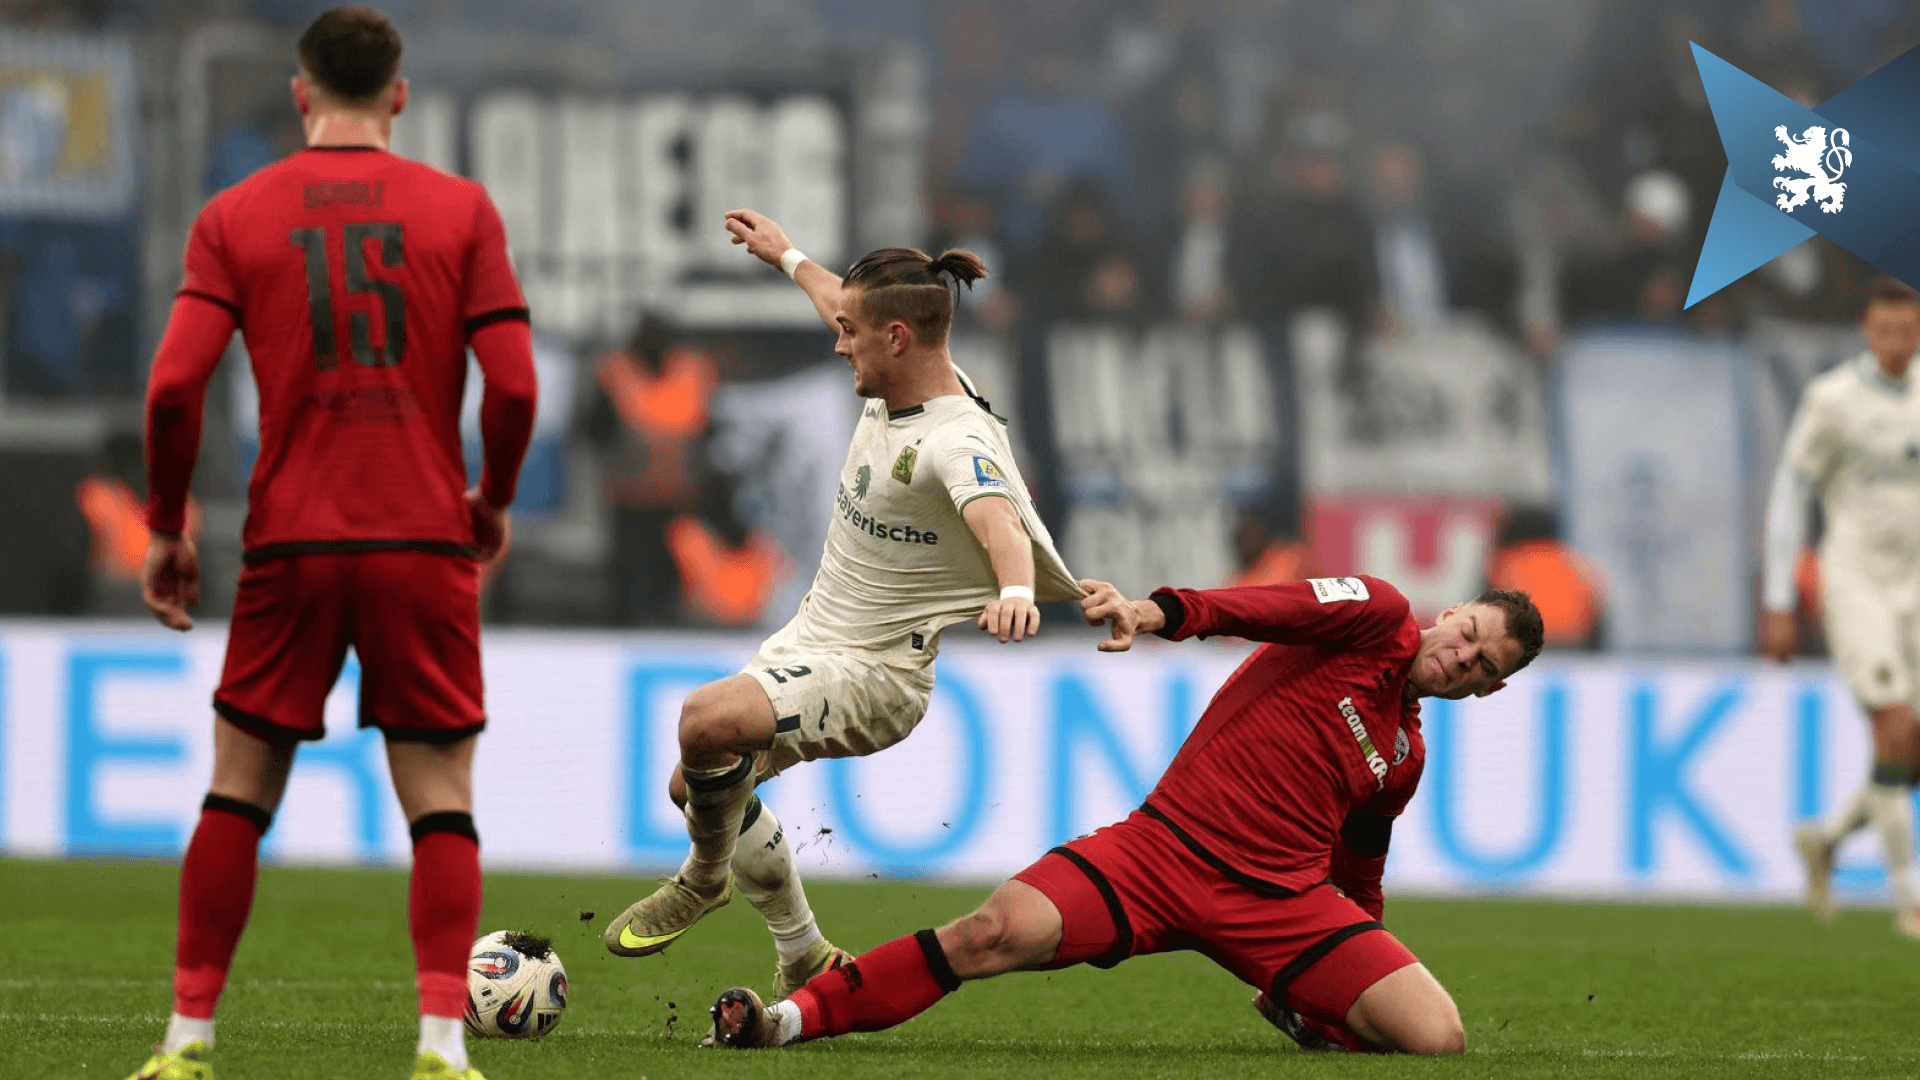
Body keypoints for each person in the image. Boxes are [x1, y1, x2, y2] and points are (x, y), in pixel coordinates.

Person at [129, 8, 537, 1080]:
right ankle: (444, 1044)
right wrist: (490, 496)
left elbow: (174, 386)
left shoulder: (234, 215)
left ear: (301, 93)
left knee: (237, 789)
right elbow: (517, 383)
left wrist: (167, 520)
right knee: (441, 797)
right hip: (421, 537)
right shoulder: (461, 212)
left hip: (292, 539)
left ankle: (187, 1041)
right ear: (399, 95)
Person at [707, 574, 1545, 1055]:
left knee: (1437, 1039)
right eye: (1468, 632)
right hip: (1159, 856)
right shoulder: (1376, 615)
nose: (1461, 656)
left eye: (1481, 663)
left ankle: (1296, 1008)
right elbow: (1272, 607)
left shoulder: (1405, 755)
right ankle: (784, 1023)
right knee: (989, 934)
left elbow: (1360, 873)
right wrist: (1161, 613)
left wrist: (1332, 983)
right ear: (1449, 612)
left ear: (1489, 688)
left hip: (1281, 904)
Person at [601, 209, 1081, 1002]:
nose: (835, 340)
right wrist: (783, 253)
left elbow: (997, 520)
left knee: (703, 721)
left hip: (878, 674)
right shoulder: (899, 362)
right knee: (699, 786)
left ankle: (703, 879)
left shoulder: (954, 439)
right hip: (814, 638)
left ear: (896, 337)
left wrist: (1021, 592)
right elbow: (837, 297)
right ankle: (802, 953)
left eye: (849, 332)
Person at [1764, 277, 1920, 939]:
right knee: (1892, 729)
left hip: (1916, 587)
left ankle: (1827, 840)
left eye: (1908, 330)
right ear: (1866, 329)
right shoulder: (1833, 401)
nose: (1896, 342)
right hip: (1855, 584)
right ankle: (1909, 899)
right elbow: (1788, 494)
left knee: (1909, 749)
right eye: (1885, 330)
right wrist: (1777, 597)